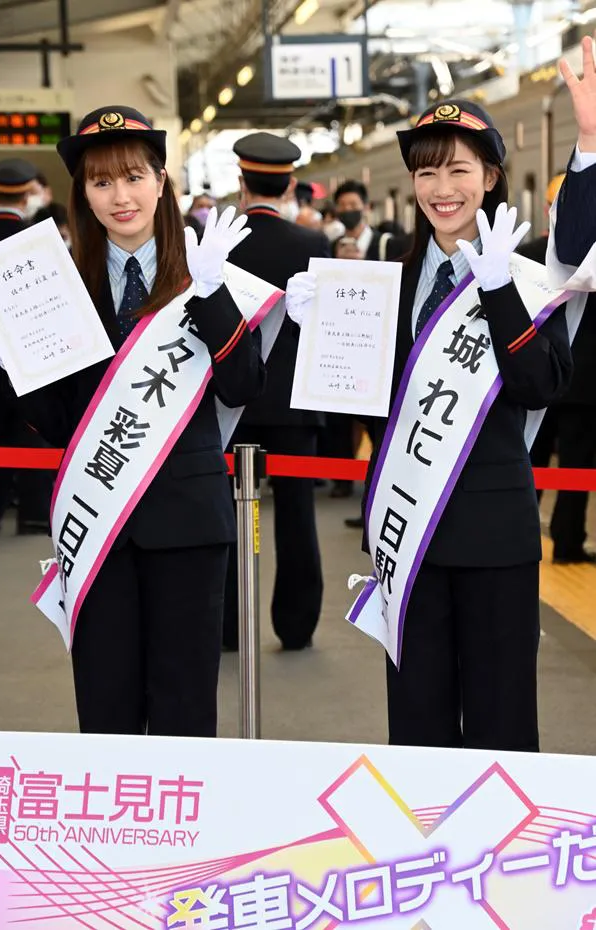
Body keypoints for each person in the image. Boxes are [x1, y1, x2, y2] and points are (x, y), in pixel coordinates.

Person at [287, 99, 572, 751]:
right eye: (426, 174)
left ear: (493, 177)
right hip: (409, 531)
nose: (442, 191)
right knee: (418, 719)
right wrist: (314, 334)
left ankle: (500, 854)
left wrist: (497, 290)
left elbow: (541, 386)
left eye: (459, 171)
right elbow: (356, 403)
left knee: (502, 718)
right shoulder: (391, 282)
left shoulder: (529, 278)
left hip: (496, 535)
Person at [0, 106, 265, 737]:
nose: (120, 196)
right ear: (82, 192)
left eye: (133, 177)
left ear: (162, 180)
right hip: (97, 520)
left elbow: (245, 386)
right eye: (101, 182)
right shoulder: (60, 283)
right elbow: (59, 423)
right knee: (104, 706)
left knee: (186, 705)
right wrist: (10, 360)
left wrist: (213, 298)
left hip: (188, 522)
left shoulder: (204, 269)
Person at [225, 131, 330, 651]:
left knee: (226, 514)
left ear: (241, 182)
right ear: (289, 185)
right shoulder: (311, 244)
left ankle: (224, 625)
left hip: (228, 406)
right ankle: (295, 625)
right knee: (295, 517)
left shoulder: (216, 243)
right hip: (294, 404)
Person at [520, 173, 596, 563]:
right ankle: (568, 545)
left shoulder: (527, 253)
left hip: (537, 378)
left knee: (527, 464)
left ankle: (515, 541)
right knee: (576, 469)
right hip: (584, 387)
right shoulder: (593, 260)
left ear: (549, 209)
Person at [0, 158, 52, 535]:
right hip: (28, 355)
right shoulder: (40, 244)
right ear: (28, 196)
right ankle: (35, 515)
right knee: (31, 432)